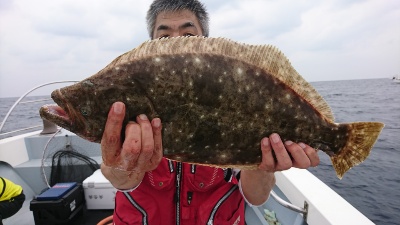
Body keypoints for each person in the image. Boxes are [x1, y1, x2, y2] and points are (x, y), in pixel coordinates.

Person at [100, 0, 320, 224]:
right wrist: (122, 168)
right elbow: (118, 178)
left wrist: (265, 165)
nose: (177, 44)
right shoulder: (132, 93)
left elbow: (256, 197)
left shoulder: (232, 92)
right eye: (164, 37)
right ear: (151, 45)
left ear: (205, 42)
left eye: (188, 36)